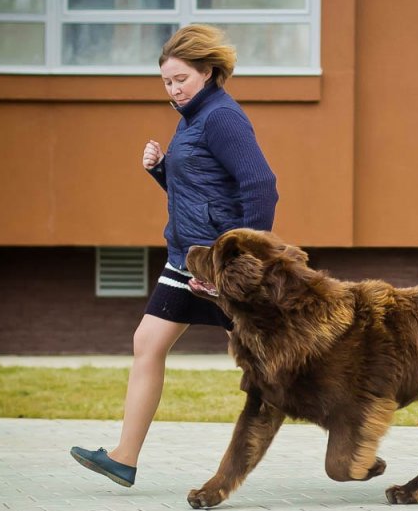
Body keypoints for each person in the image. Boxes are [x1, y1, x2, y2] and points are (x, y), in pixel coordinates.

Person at [70, 24, 278, 487]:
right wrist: (162, 170)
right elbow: (202, 190)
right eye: (166, 81)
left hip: (223, 269)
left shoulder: (222, 117)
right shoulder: (191, 120)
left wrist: (247, 257)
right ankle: (124, 456)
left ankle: (350, 439)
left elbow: (260, 183)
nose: (173, 88)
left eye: (181, 79)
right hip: (186, 258)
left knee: (278, 365)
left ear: (207, 71)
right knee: (147, 343)